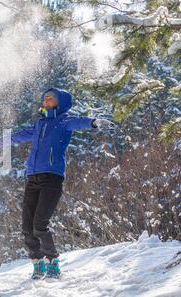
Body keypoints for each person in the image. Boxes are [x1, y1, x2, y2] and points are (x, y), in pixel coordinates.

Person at [10, 88, 114, 279]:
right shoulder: (39, 125)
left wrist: (93, 122)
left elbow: (79, 122)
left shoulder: (63, 121)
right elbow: (18, 136)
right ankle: (38, 263)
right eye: (44, 98)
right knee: (27, 227)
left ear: (60, 102)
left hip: (52, 178)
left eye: (50, 98)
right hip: (32, 178)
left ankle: (52, 263)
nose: (46, 101)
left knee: (40, 224)